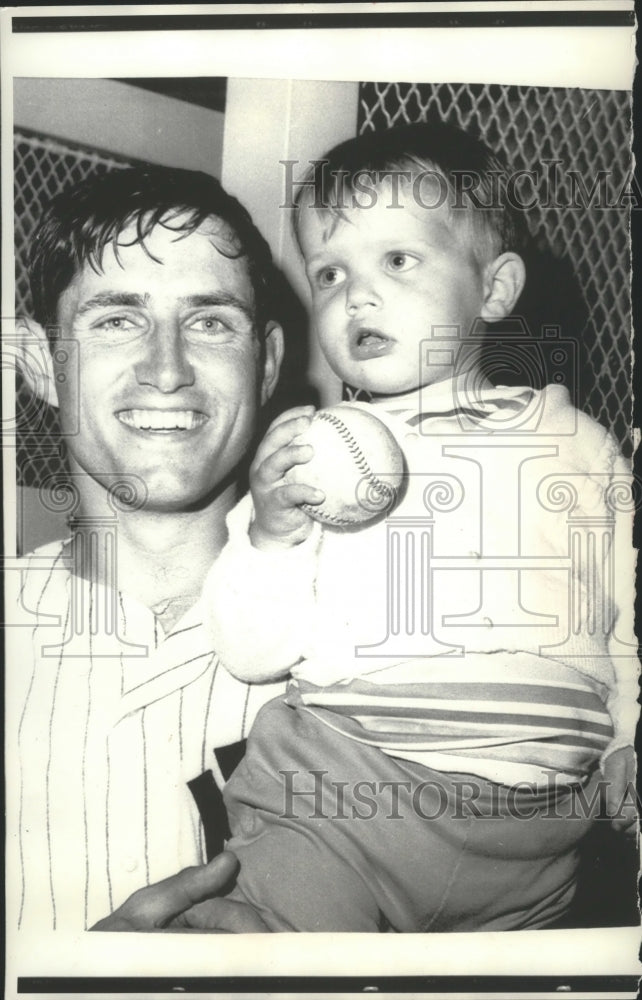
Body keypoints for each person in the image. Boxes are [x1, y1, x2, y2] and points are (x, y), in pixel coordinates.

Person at [203, 122, 639, 931]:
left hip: (540, 840)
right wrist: (269, 534)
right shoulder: (311, 453)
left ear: (495, 289)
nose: (355, 297)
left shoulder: (582, 444)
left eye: (397, 261)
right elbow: (250, 651)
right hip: (342, 801)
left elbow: (629, 619)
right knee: (272, 959)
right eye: (329, 273)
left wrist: (631, 738)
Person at [8, 166, 288, 931]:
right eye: (116, 319)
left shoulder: (384, 638)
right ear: (39, 361)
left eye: (209, 321)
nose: (167, 370)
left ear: (265, 362)